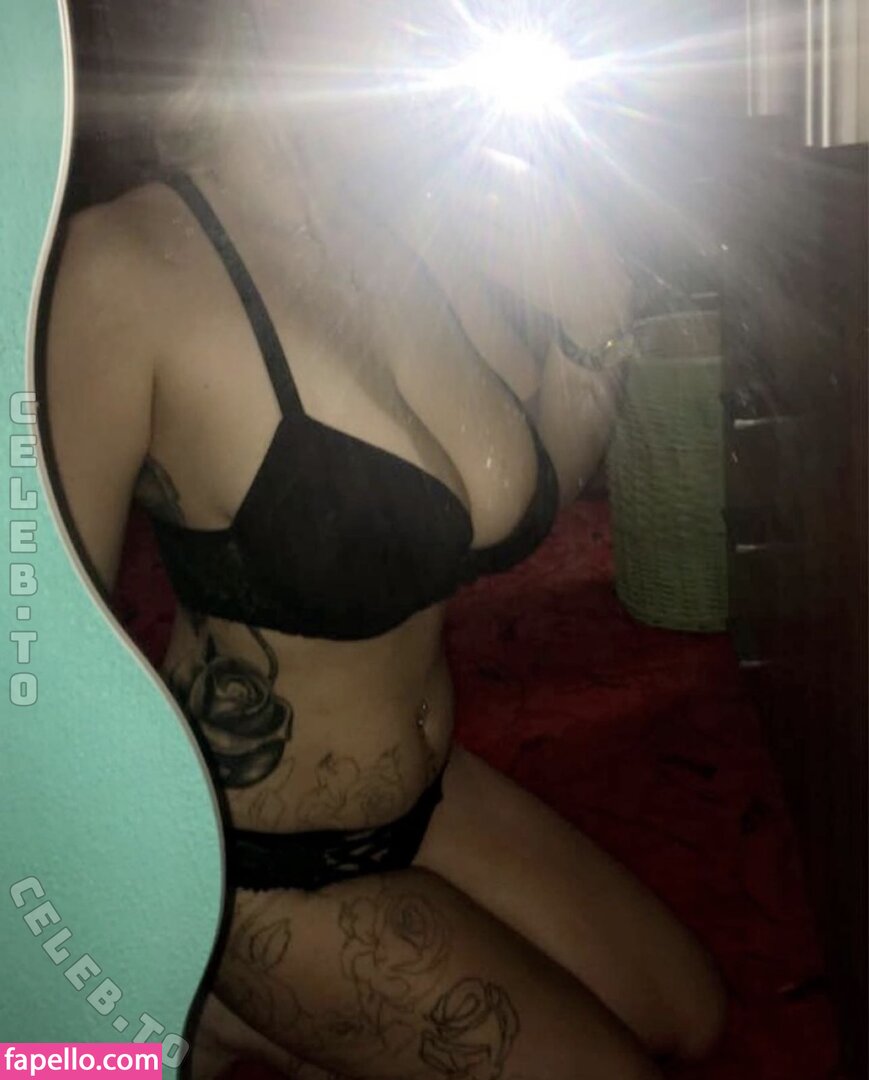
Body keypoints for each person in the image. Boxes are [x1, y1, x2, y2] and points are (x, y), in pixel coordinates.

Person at [43, 2, 725, 1077]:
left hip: (427, 792)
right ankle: (211, 991)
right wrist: (98, 963)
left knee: (690, 1016)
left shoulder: (430, 216)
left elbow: (528, 487)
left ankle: (261, 1032)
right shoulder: (126, 269)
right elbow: (44, 665)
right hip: (247, 860)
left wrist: (592, 324)